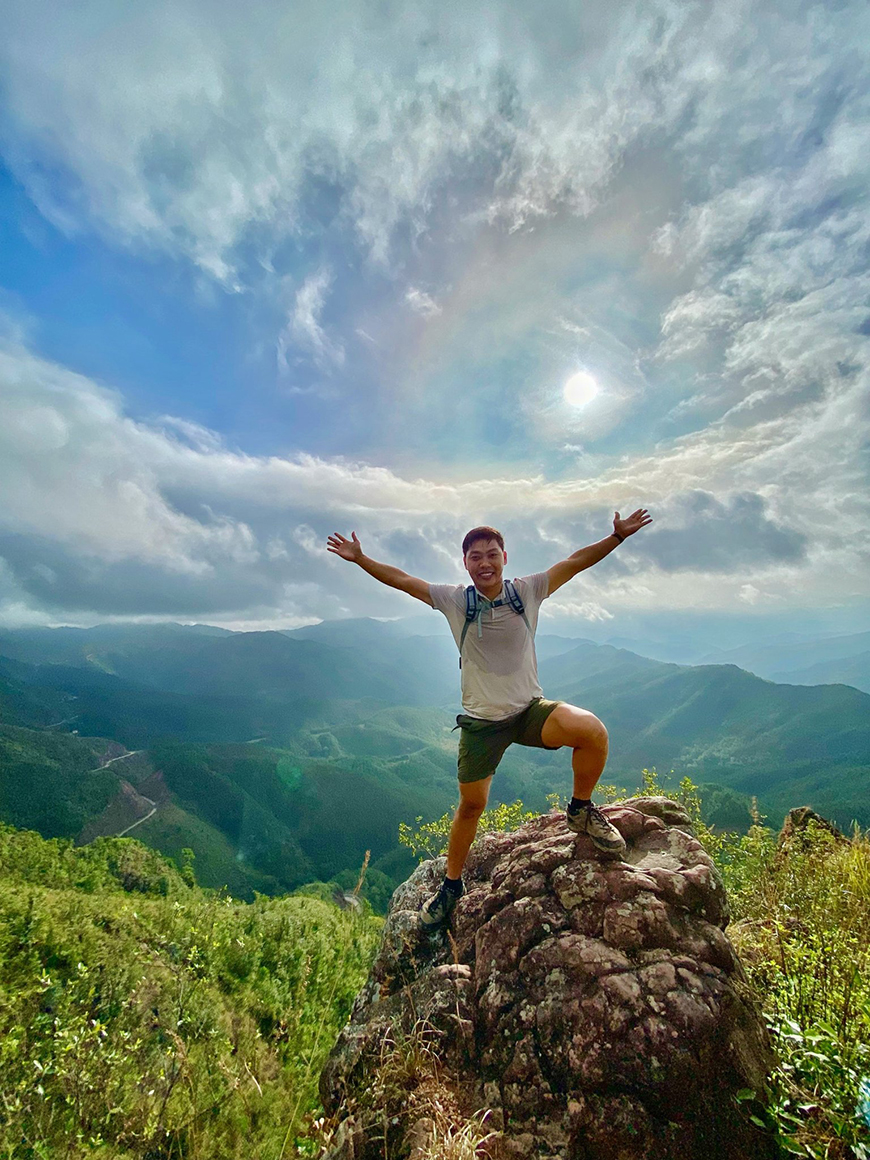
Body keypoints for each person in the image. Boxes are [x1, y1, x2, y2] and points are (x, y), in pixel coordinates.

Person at [326, 509, 652, 927]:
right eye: (475, 556)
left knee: (592, 731)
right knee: (471, 806)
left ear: (504, 557)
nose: (484, 562)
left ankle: (580, 809)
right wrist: (362, 559)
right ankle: (451, 886)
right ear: (465, 563)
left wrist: (616, 538)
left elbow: (574, 562)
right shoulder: (455, 600)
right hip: (482, 724)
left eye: (491, 554)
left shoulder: (528, 591)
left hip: (530, 711)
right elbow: (404, 581)